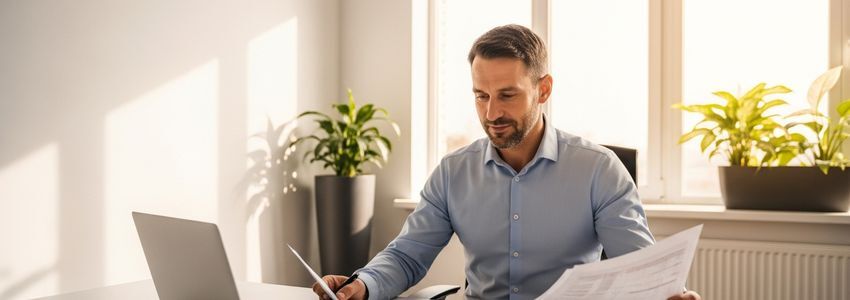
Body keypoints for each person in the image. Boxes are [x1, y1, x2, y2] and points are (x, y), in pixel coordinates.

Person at [313, 24, 701, 300]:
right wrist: (362, 285)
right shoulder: (453, 172)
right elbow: (407, 255)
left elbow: (640, 271)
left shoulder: (598, 170)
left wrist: (667, 296)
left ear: (542, 89)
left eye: (507, 95)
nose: (491, 112)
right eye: (481, 95)